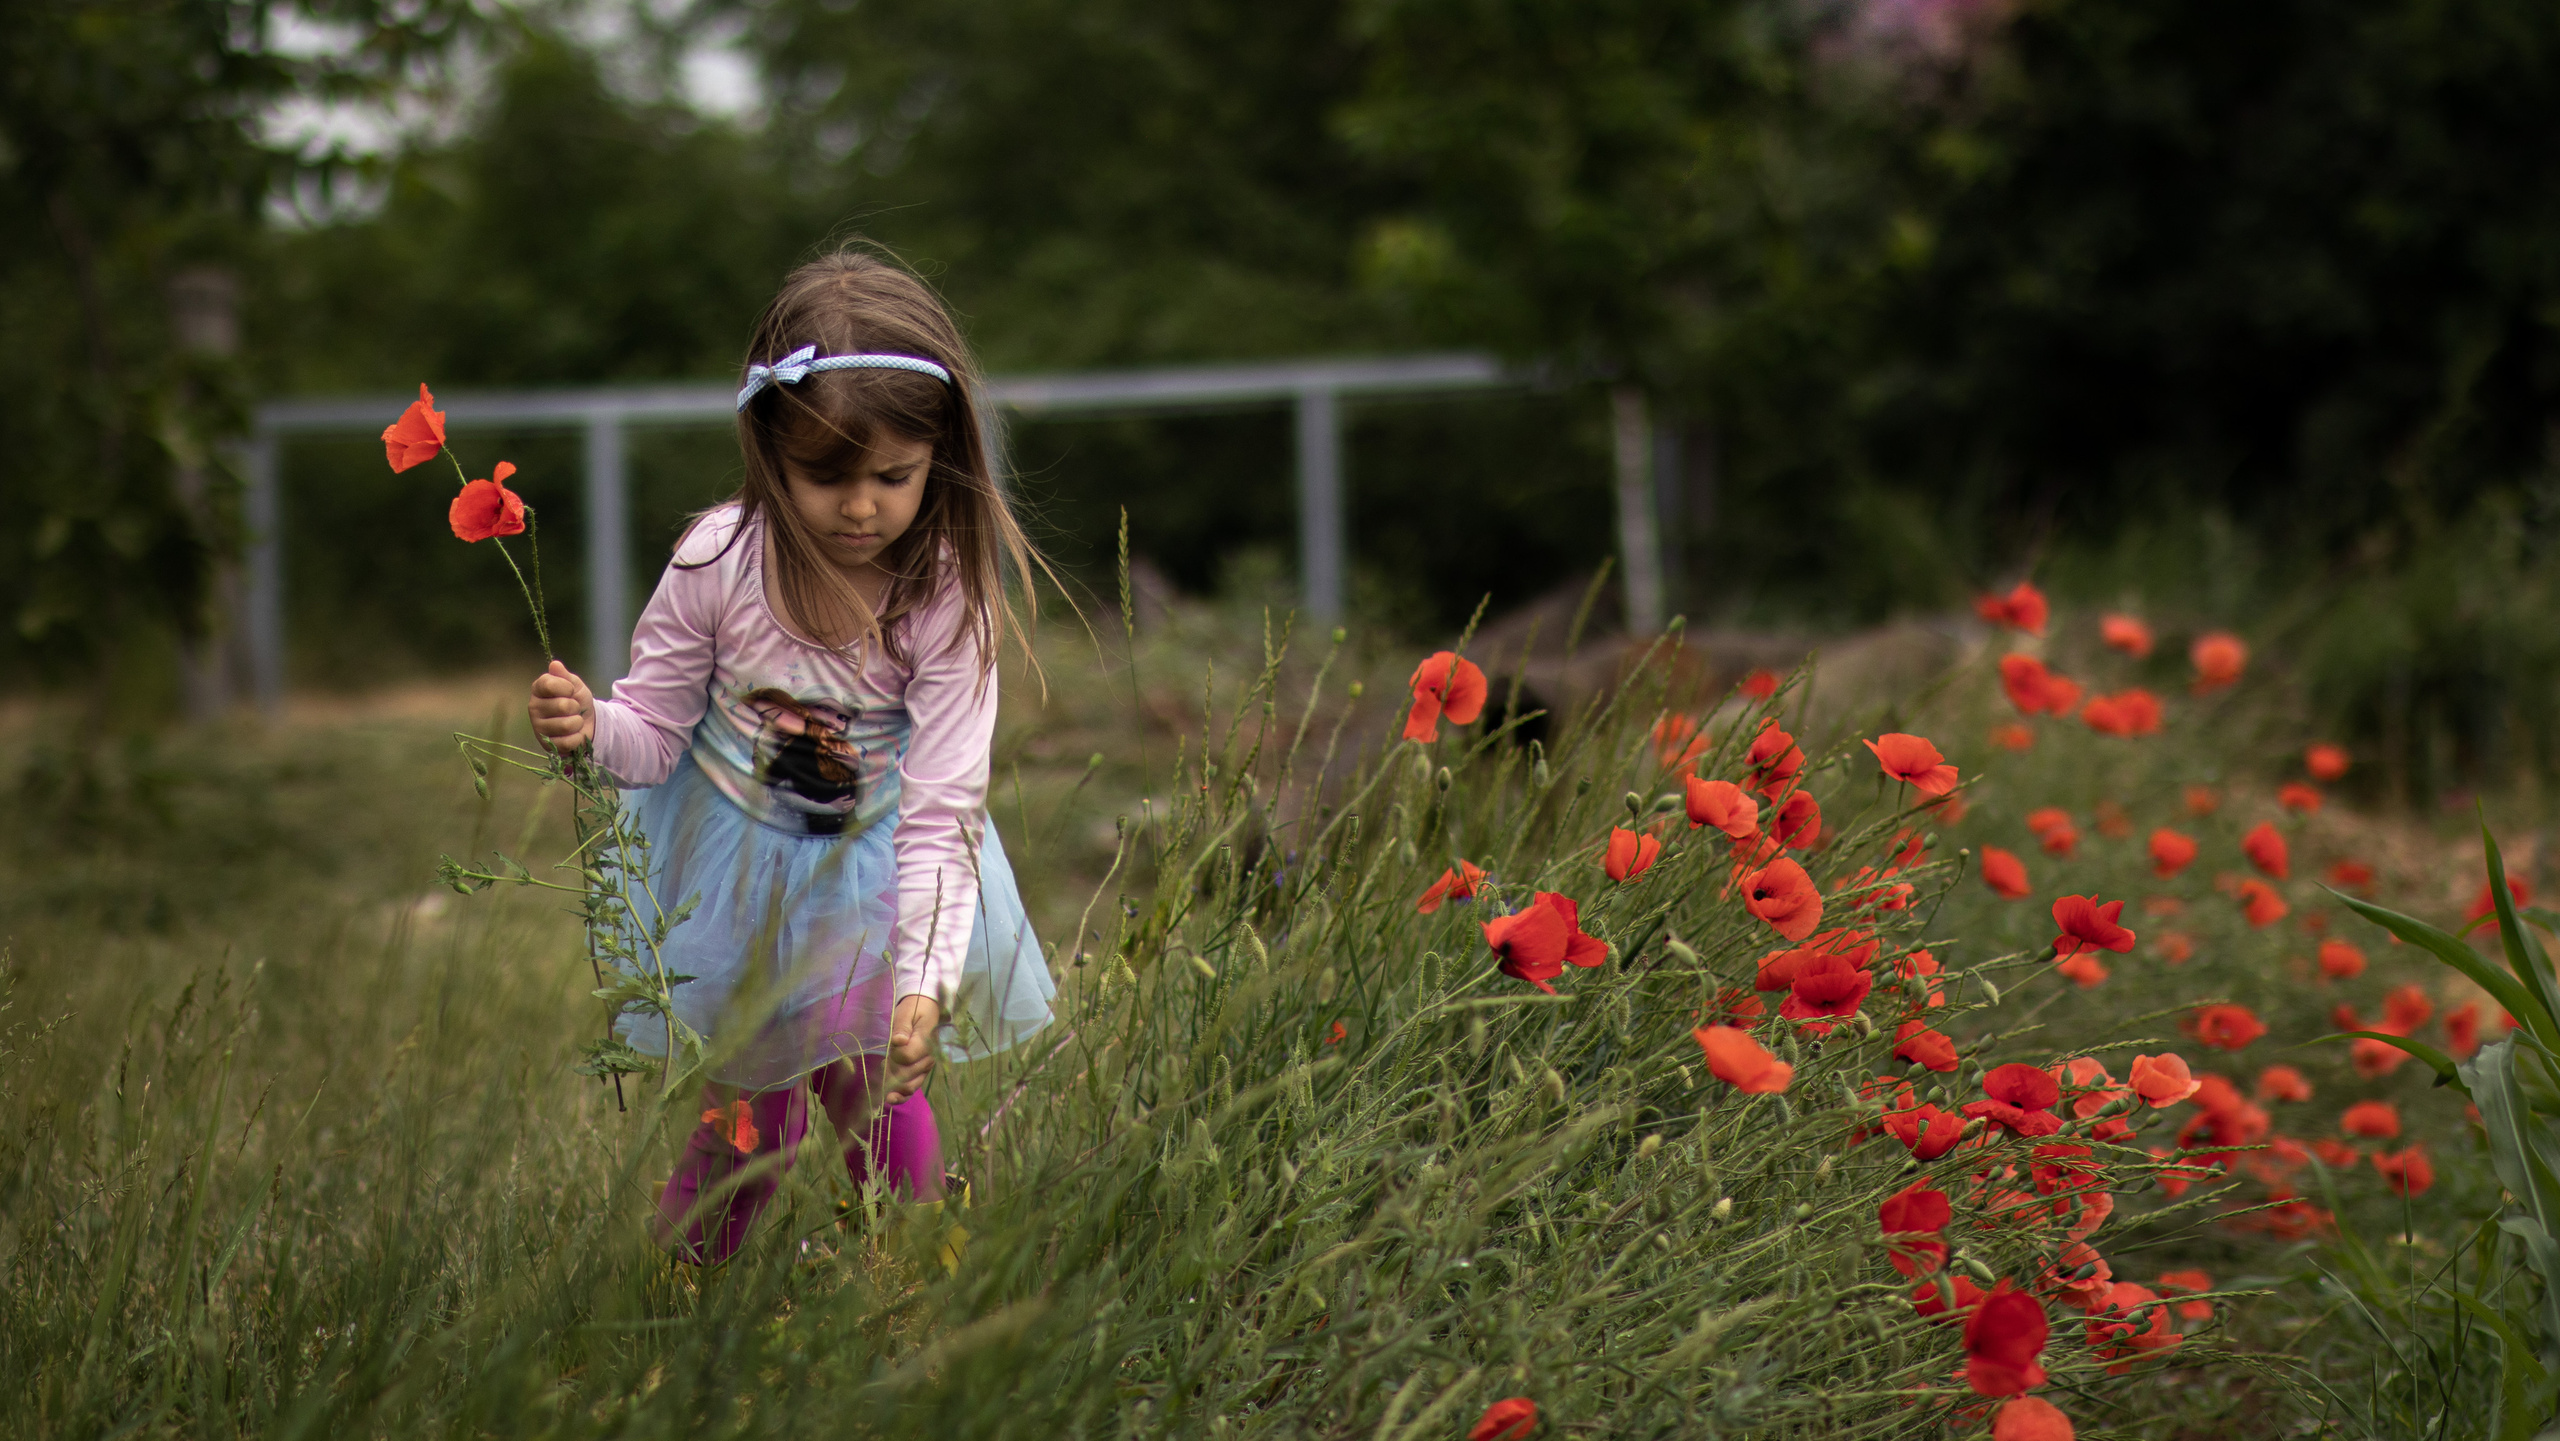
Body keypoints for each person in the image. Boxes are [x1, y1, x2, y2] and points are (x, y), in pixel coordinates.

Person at [525, 249, 1054, 1261]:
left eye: (894, 477)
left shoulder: (943, 594)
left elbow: (944, 809)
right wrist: (592, 726)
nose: (862, 506)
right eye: (827, 476)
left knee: (879, 1098)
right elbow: (651, 738)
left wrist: (924, 980)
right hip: (738, 887)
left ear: (937, 458)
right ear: (769, 447)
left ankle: (911, 1282)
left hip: (877, 880)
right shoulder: (716, 563)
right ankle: (679, 1286)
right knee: (753, 1130)